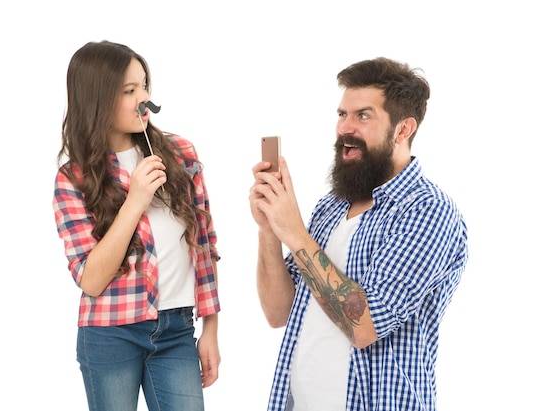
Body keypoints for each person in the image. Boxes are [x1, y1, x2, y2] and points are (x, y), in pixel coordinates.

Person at [249, 57, 468, 411]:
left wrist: (294, 232)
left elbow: (364, 325)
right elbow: (278, 312)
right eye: (341, 115)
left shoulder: (428, 211)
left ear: (403, 129)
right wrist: (270, 230)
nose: (345, 129)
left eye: (362, 116)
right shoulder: (332, 206)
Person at [53, 40, 220, 411]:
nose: (143, 98)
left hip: (177, 330)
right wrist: (136, 199)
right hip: (110, 334)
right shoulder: (74, 179)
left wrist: (210, 327)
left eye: (145, 86)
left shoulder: (180, 153)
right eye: (130, 91)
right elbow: (91, 279)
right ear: (97, 98)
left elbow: (204, 243)